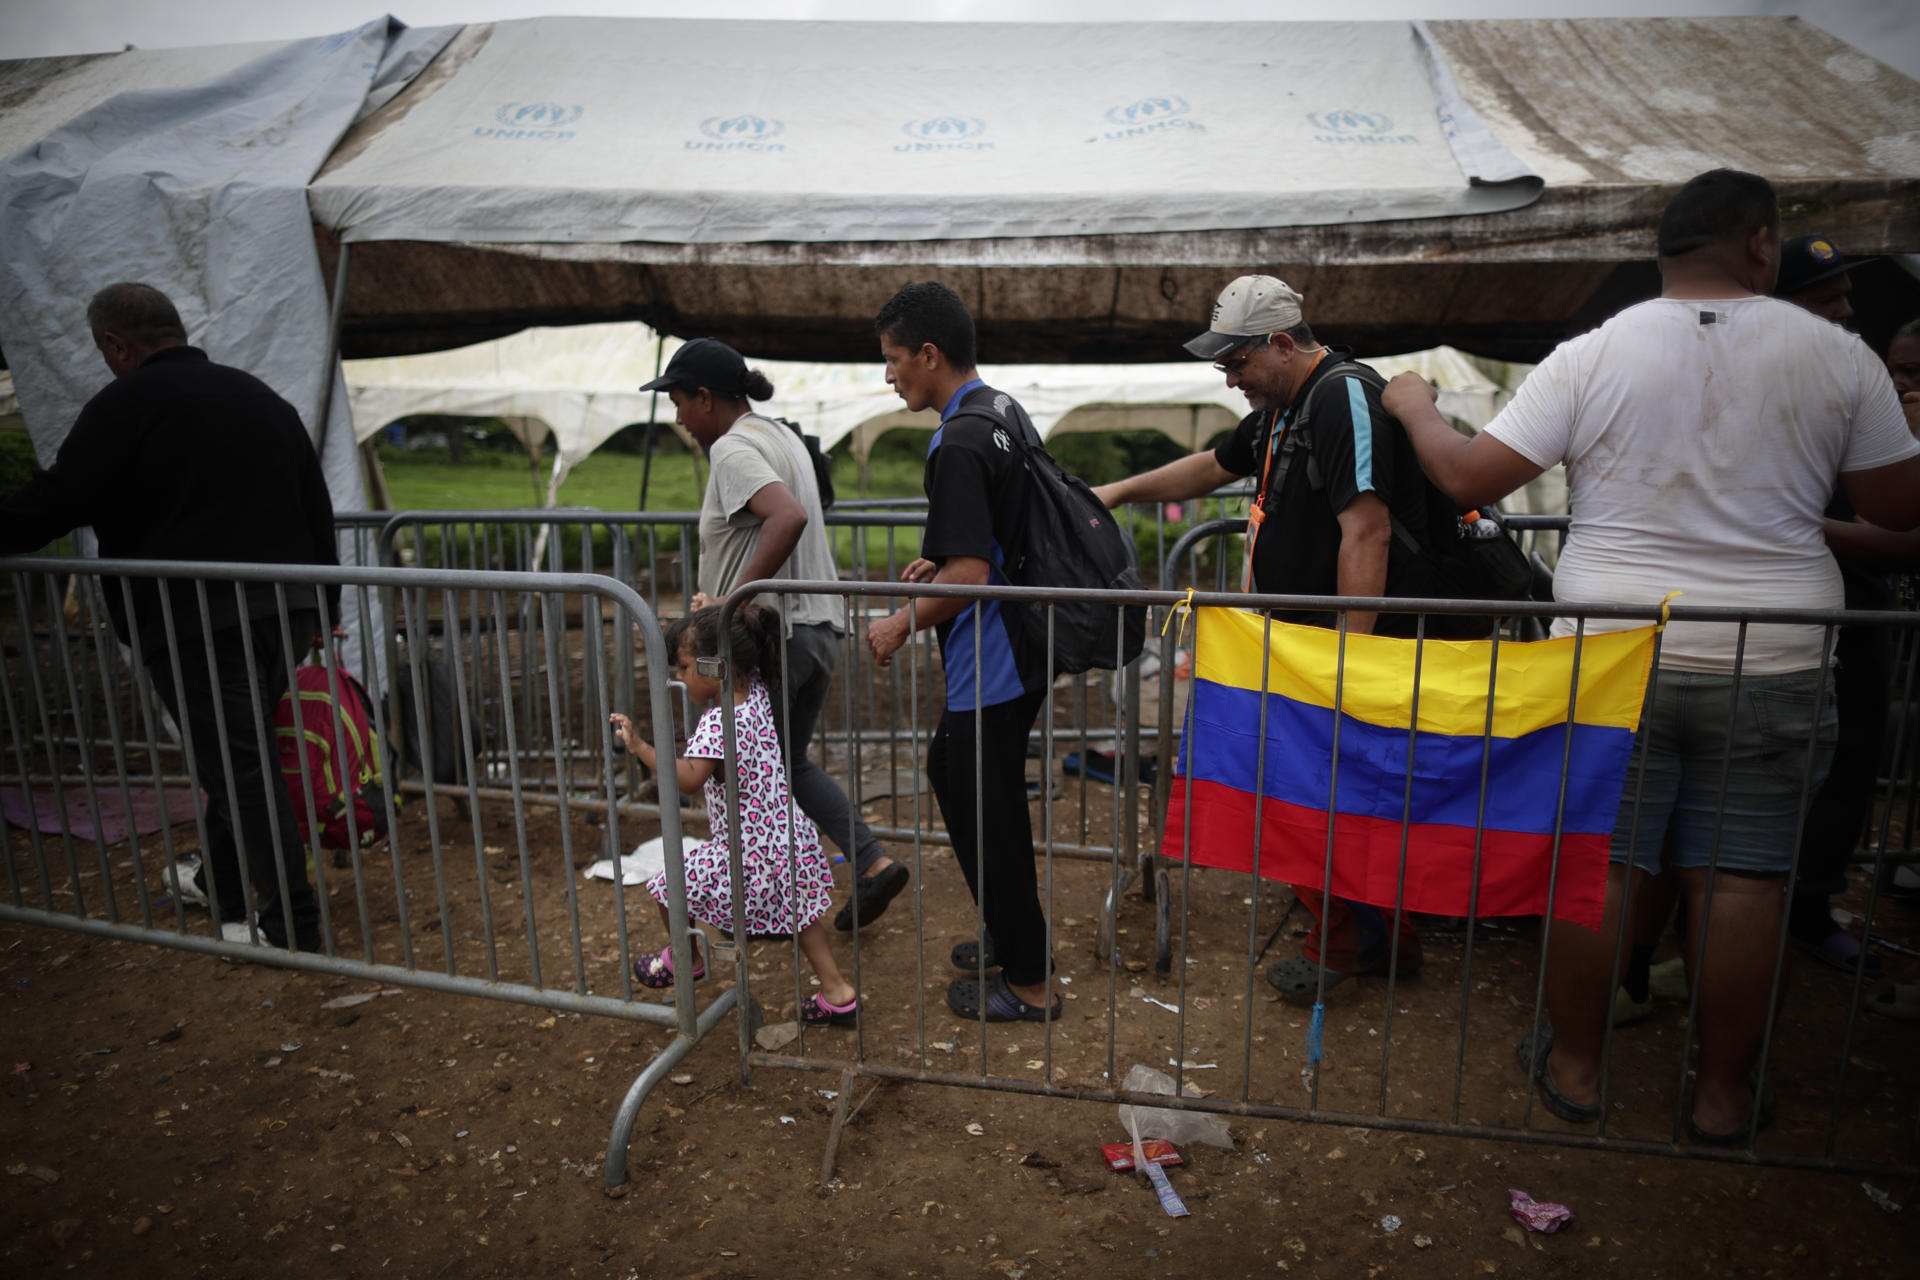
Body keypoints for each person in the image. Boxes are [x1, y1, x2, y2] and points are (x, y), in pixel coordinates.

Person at [1381, 169, 1920, 1143]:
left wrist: (1418, 405)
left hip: (1611, 653)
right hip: (1776, 650)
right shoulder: (1839, 357)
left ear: (1662, 252)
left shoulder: (1591, 353)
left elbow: (1467, 475)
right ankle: (1720, 1095)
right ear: (1760, 244)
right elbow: (1896, 507)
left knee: (1606, 868)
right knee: (1745, 880)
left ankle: (1579, 1068)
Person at [1091, 274, 1443, 1004]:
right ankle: (1375, 939)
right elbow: (1211, 467)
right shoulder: (1282, 409)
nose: (1230, 379)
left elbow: (1367, 528)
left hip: (1338, 651)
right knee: (1318, 796)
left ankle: (1350, 943)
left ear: (1283, 343)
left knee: (1320, 797)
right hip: (1303, 646)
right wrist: (1121, 491)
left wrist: (1351, 660)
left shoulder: (1342, 396)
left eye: (1238, 362)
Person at [0, 282, 340, 951]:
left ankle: (293, 922)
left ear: (115, 344)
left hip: (194, 621)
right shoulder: (259, 397)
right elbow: (315, 502)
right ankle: (222, 885)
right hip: (284, 610)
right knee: (238, 760)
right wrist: (323, 606)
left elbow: (53, 502)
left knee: (240, 767)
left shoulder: (123, 406)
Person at [639, 338, 909, 931]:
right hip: (814, 629)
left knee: (743, 774)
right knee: (781, 765)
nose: (679, 416)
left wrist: (732, 596)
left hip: (774, 638)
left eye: (681, 401)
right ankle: (864, 864)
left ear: (706, 397)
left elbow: (788, 515)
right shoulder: (779, 435)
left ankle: (768, 898)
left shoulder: (734, 448)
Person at [864, 281, 1060, 1024]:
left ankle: (1032, 984)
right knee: (956, 776)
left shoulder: (958, 438)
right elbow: (982, 546)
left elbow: (973, 578)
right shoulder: (1002, 410)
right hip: (1020, 648)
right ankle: (1014, 936)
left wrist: (900, 622)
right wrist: (940, 566)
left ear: (929, 354)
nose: (889, 376)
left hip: (994, 659)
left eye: (892, 360)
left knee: (992, 815)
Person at [609, 604, 858, 1026]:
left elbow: (688, 778)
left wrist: (640, 748)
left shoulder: (718, 721)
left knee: (669, 883)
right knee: (804, 918)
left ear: (715, 666)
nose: (679, 675)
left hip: (749, 852)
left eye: (685, 666)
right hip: (788, 839)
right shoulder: (756, 692)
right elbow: (738, 649)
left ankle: (686, 959)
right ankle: (837, 992)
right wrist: (715, 615)